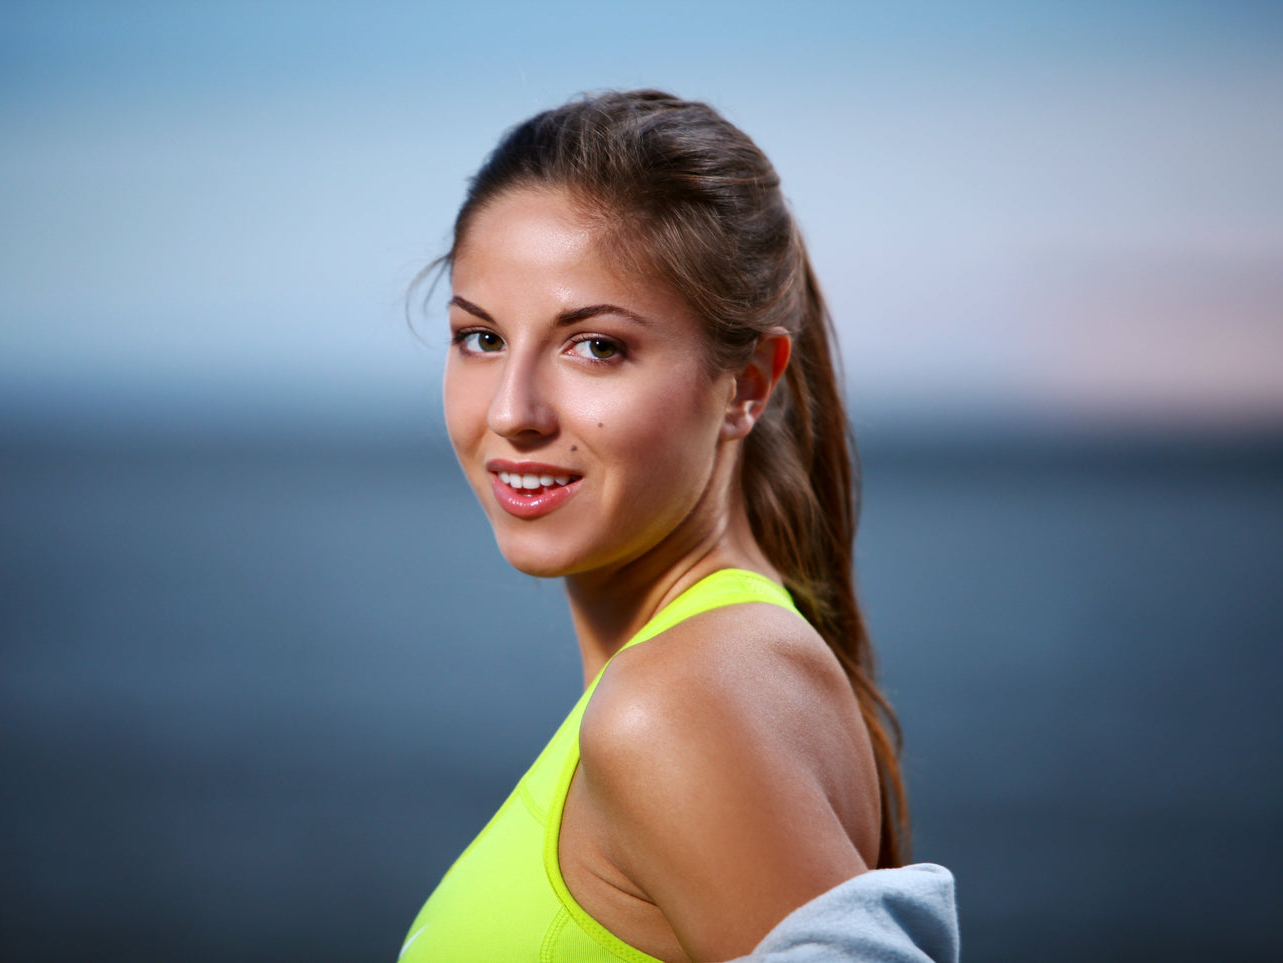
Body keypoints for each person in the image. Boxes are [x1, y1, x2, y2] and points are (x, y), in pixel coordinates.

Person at [400, 90, 955, 962]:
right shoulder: (712, 674)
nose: (513, 412)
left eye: (596, 347)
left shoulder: (680, 703)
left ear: (746, 384)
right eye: (480, 338)